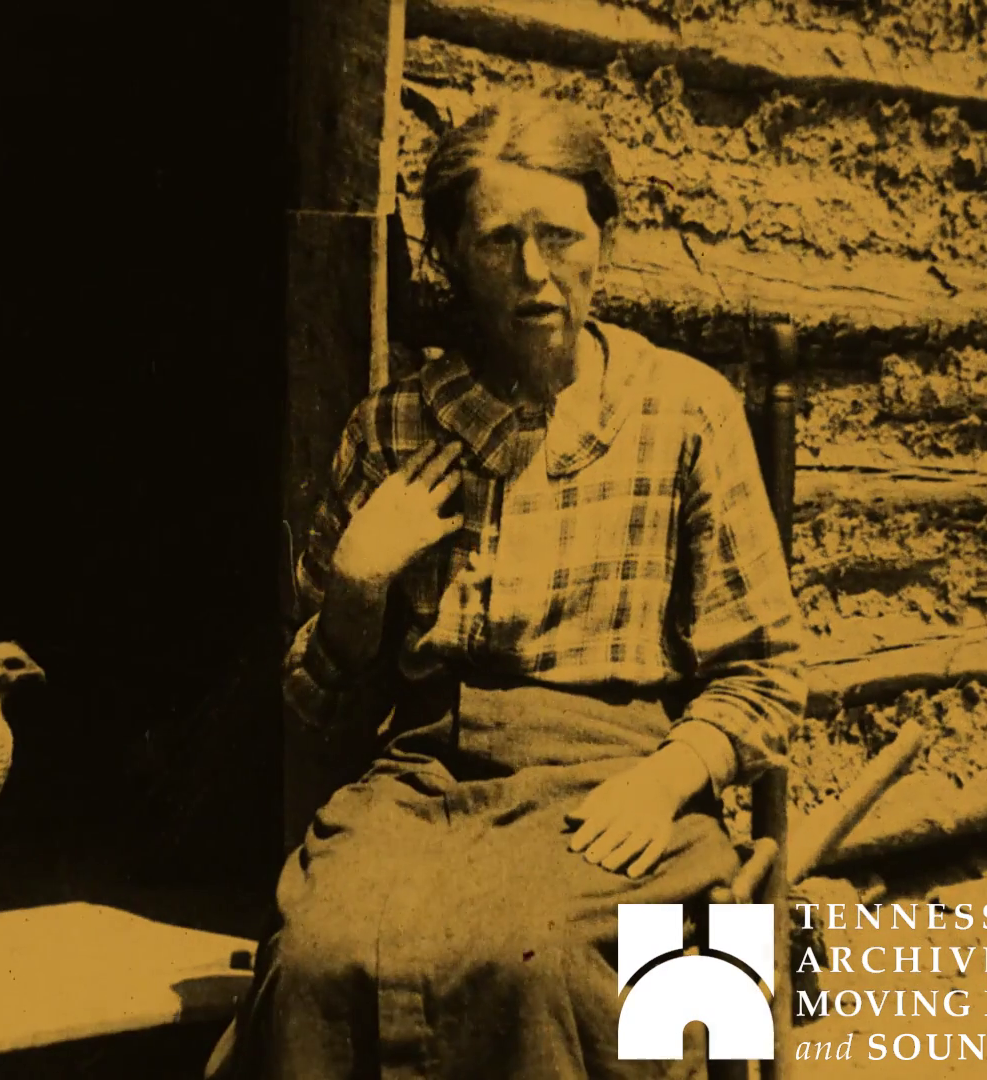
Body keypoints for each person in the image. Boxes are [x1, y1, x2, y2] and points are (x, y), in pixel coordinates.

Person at [224, 94, 810, 1079]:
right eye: (498, 241)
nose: (533, 274)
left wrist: (666, 779)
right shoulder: (394, 427)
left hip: (617, 774)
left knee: (526, 956)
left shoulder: (682, 412)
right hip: (423, 780)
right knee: (321, 955)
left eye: (559, 237)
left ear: (604, 241)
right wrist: (358, 591)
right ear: (449, 254)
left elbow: (765, 677)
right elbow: (315, 701)